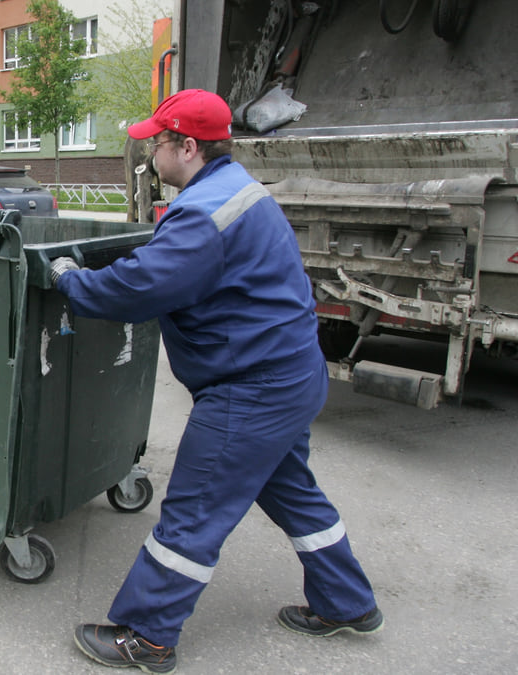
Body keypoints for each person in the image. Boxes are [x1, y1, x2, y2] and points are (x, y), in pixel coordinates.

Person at [51, 89, 381, 674]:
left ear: (187, 146)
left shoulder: (204, 214)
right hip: (292, 374)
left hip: (251, 389)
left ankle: (147, 636)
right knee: (295, 494)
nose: (150, 152)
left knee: (195, 509)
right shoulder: (238, 190)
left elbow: (141, 289)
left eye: (156, 142)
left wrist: (71, 279)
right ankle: (347, 603)